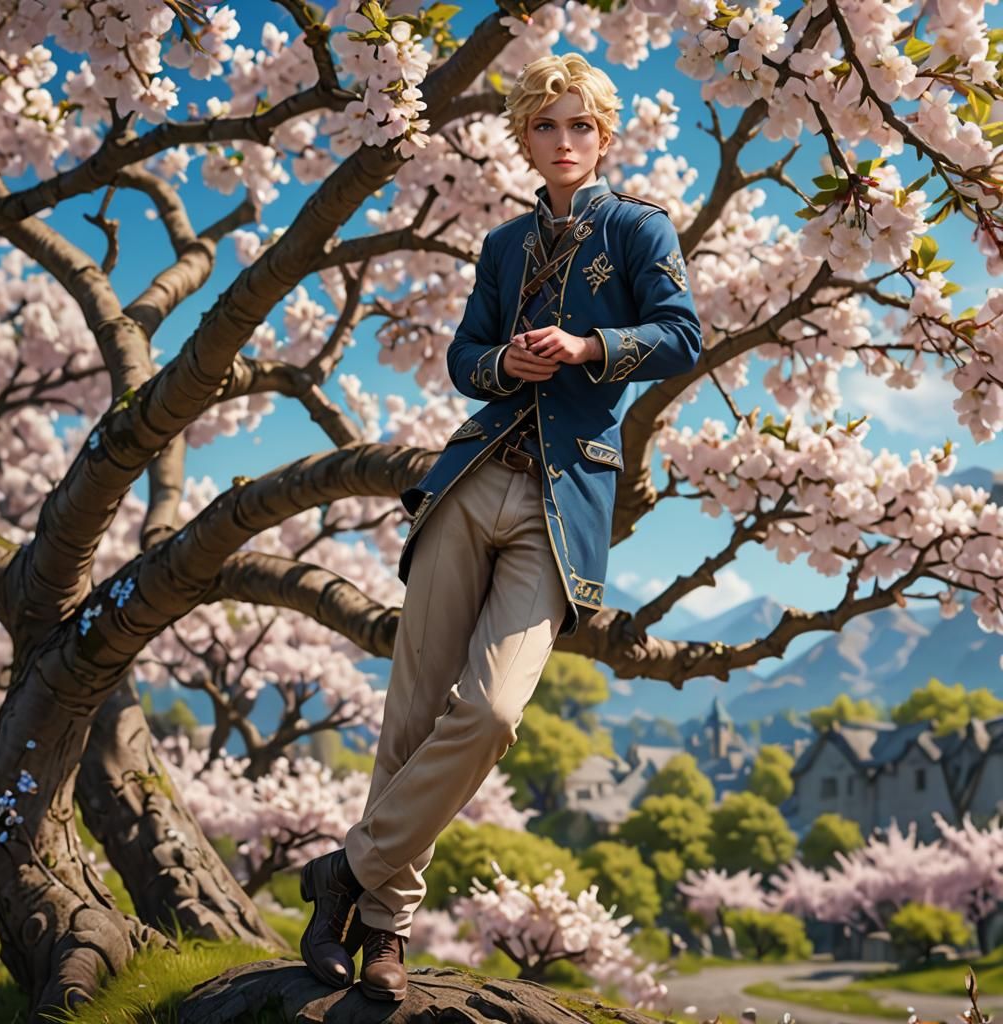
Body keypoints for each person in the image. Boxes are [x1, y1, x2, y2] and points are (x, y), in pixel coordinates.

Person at [298, 51, 702, 1001]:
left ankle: (343, 872)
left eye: (580, 126)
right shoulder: (504, 243)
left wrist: (589, 345)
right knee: (409, 715)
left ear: (604, 136)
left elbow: (683, 335)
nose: (563, 141)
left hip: (561, 504)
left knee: (491, 712)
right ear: (523, 137)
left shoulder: (640, 227)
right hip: (471, 479)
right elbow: (462, 357)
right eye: (545, 126)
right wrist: (501, 367)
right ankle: (383, 933)